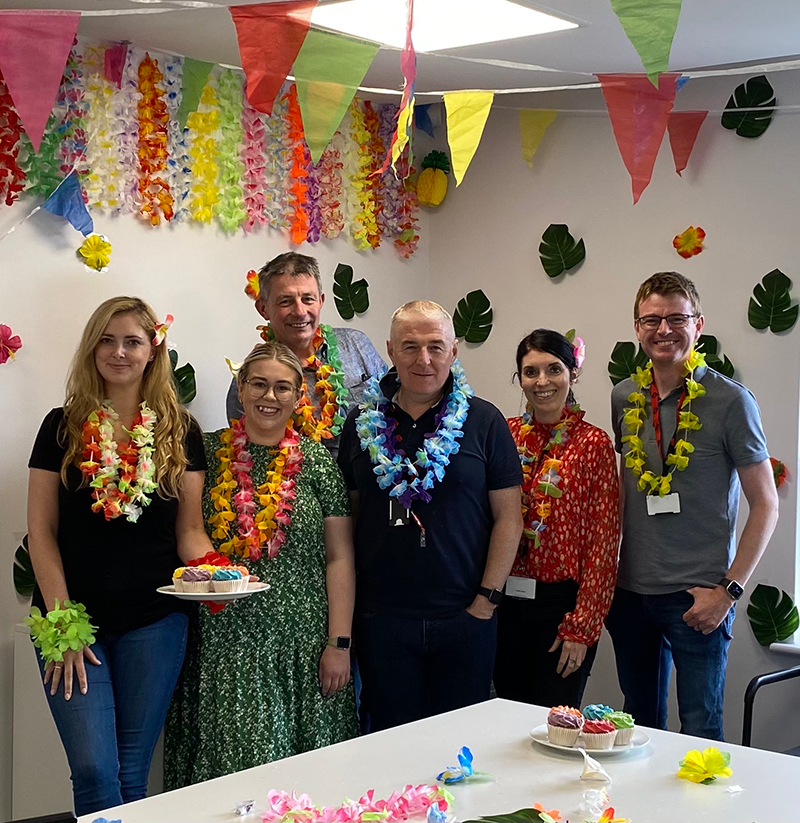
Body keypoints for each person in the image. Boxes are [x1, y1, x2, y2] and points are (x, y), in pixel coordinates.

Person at [26, 297, 212, 817]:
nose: (119, 352)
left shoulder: (181, 431)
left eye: (132, 340)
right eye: (106, 340)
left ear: (153, 349)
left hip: (154, 620)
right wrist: (62, 620)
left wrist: (219, 573)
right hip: (70, 618)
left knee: (131, 771)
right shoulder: (60, 426)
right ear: (91, 349)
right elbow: (40, 532)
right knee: (93, 770)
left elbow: (190, 533)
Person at [165, 342, 358, 787]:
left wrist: (340, 644)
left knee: (312, 780)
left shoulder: (319, 465)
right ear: (241, 387)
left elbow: (340, 557)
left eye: (282, 387)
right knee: (239, 776)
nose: (269, 397)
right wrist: (225, 578)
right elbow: (188, 531)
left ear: (298, 396)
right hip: (228, 638)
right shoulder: (207, 453)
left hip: (306, 644)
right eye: (259, 384)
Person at [606, 272, 778, 740]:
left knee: (700, 732)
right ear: (637, 327)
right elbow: (624, 491)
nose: (664, 330)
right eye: (652, 319)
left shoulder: (731, 401)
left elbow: (767, 504)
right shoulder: (624, 396)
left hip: (698, 599)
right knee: (635, 731)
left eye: (676, 318)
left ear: (698, 325)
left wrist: (729, 591)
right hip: (630, 594)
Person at [337, 301, 523, 732]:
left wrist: (487, 601)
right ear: (390, 350)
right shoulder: (361, 421)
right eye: (410, 347)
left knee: (460, 750)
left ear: (454, 351)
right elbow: (350, 517)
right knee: (389, 744)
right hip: (383, 620)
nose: (424, 359)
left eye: (436, 347)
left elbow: (509, 518)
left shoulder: (484, 421)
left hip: (464, 618)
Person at [493, 329, 619, 708]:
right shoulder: (504, 435)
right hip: (505, 601)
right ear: (520, 379)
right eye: (531, 372)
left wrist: (583, 626)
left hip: (562, 606)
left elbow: (604, 540)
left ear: (573, 373)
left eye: (554, 369)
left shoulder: (593, 444)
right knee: (506, 717)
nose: (542, 381)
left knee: (555, 722)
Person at [226, 252, 385, 457]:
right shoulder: (251, 380)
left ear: (321, 301)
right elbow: (250, 456)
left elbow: (394, 407)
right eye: (286, 301)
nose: (300, 311)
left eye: (308, 299)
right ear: (263, 308)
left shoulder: (356, 345)